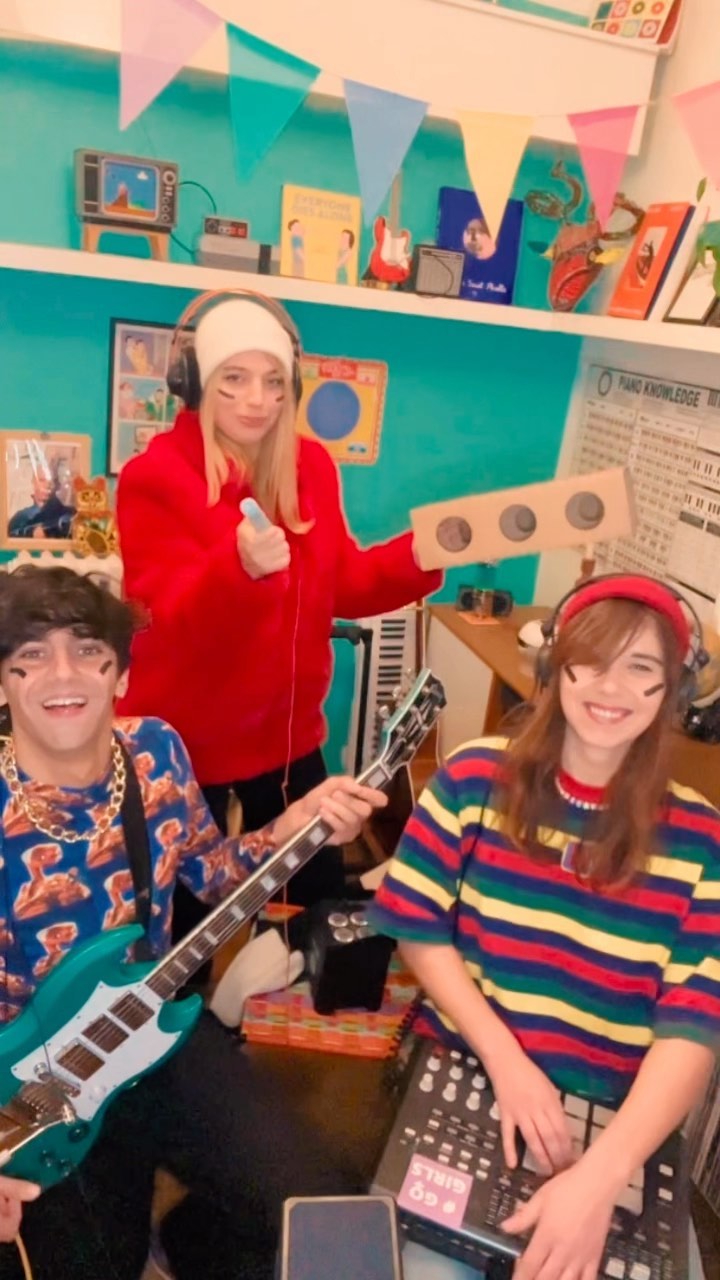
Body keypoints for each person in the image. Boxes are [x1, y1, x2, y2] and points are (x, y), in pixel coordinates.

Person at [0, 565, 387, 1280]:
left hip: (152, 1028)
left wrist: (294, 826)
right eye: (31, 655)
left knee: (318, 1201)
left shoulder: (154, 751)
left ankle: (190, 1241)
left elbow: (212, 872)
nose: (64, 674)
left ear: (121, 675)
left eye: (88, 650)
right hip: (29, 1087)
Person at [371, 574, 720, 1280]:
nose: (611, 688)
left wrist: (600, 1176)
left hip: (616, 1125)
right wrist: (508, 1062)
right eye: (591, 660)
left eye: (641, 668)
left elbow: (694, 1026)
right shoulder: (472, 778)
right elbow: (417, 926)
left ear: (672, 692)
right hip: (472, 1071)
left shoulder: (702, 839)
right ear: (555, 666)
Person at [115, 292, 442, 922]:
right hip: (187, 752)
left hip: (289, 742)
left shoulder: (310, 464)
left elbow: (343, 582)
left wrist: (424, 551)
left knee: (315, 911)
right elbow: (167, 619)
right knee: (188, 926)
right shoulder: (154, 478)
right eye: (234, 379)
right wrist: (238, 569)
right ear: (195, 384)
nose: (257, 400)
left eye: (272, 381)